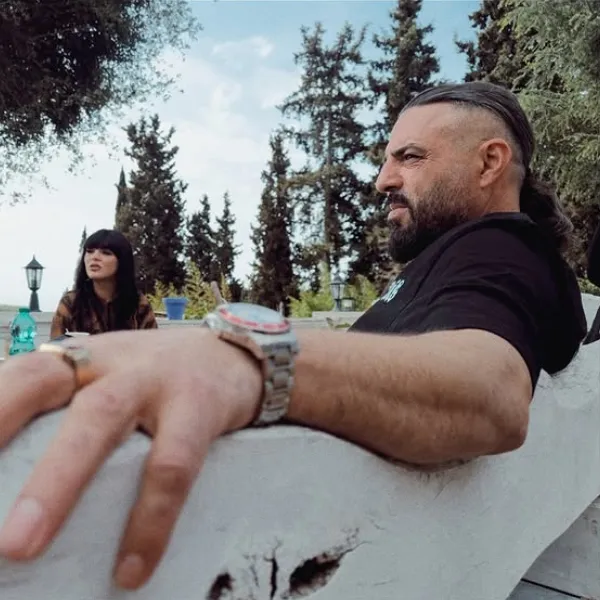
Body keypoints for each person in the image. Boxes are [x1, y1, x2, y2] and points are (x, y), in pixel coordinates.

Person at [0, 82, 586, 590]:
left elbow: (492, 391)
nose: (383, 179)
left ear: (489, 163)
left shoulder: (499, 250)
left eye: (409, 157)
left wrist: (247, 359)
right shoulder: (465, 259)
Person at [50, 229, 157, 338]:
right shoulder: (71, 302)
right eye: (89, 251)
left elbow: (153, 344)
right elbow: (54, 345)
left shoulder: (139, 304)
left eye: (106, 253)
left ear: (122, 261)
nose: (94, 257)